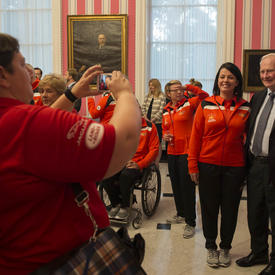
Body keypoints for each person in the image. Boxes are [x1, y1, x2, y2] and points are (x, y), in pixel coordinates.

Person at [0, 33, 141, 274]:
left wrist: (71, 95)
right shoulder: (25, 123)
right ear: (3, 75)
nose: (30, 75)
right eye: (23, 65)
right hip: (62, 261)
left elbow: (37, 138)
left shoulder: (17, 125)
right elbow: (123, 141)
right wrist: (125, 93)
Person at [188, 62, 250, 268]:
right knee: (209, 208)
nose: (225, 80)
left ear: (237, 82)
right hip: (208, 165)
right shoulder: (206, 105)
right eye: (222, 76)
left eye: (230, 77)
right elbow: (195, 136)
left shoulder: (246, 107)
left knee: (231, 209)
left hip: (235, 167)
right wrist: (192, 165)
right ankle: (210, 246)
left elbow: (249, 140)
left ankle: (225, 247)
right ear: (217, 80)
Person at [236, 53, 275, 275]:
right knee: (255, 213)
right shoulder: (258, 98)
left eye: (270, 70)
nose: (266, 75)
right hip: (255, 165)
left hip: (274, 167)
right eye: (262, 71)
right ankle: (258, 252)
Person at [162, 80, 208, 238]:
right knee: (175, 185)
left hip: (187, 152)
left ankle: (191, 222)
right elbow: (165, 128)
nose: (179, 92)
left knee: (187, 187)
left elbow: (205, 96)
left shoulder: (190, 104)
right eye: (175, 90)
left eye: (180, 89)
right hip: (172, 152)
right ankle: (181, 214)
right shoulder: (166, 110)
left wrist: (188, 87)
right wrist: (165, 135)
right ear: (168, 93)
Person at [102, 116, 160, 220]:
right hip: (122, 161)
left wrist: (140, 164)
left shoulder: (150, 127)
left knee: (125, 176)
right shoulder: (124, 127)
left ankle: (125, 206)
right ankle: (116, 204)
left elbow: (154, 150)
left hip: (139, 163)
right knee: (106, 176)